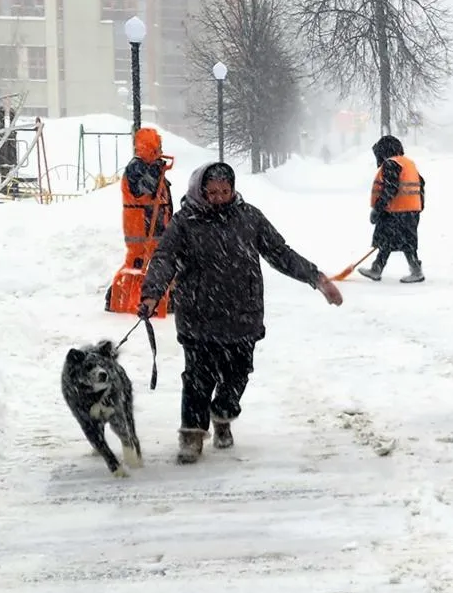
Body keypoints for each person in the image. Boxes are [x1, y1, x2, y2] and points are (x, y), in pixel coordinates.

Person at [139, 161, 342, 463]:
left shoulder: (249, 218)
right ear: (200, 191)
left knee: (237, 376)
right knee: (197, 378)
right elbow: (164, 258)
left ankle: (223, 415)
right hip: (199, 315)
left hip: (242, 314)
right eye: (212, 192)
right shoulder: (185, 222)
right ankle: (192, 435)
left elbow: (279, 252)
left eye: (225, 191)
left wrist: (316, 278)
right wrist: (152, 294)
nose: (220, 197)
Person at [362, 134, 426, 283]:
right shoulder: (408, 163)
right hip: (410, 211)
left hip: (396, 211)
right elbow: (421, 184)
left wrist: (378, 209)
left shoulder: (391, 163)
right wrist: (418, 207)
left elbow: (390, 188)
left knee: (388, 239)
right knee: (401, 241)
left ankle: (412, 271)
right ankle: (378, 268)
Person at [120, 128, 174, 269]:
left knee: (155, 266)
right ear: (151, 149)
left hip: (155, 229)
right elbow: (141, 191)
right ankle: (124, 290)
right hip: (141, 230)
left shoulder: (150, 168)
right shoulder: (136, 167)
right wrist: (155, 171)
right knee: (137, 265)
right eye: (158, 148)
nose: (161, 152)